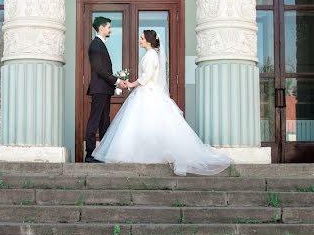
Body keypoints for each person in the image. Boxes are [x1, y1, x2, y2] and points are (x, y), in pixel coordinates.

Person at [93, 29, 232, 176]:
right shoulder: (150, 55)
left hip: (147, 93)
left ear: (148, 40)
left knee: (146, 124)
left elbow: (146, 77)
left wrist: (130, 84)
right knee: (146, 125)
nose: (139, 40)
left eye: (141, 38)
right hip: (147, 92)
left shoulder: (151, 56)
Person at [84, 16, 124, 163]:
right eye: (108, 27)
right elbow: (99, 69)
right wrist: (117, 80)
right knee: (95, 121)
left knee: (104, 122)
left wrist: (115, 82)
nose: (110, 29)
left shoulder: (100, 44)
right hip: (99, 89)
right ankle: (89, 154)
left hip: (104, 89)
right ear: (101, 28)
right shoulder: (95, 45)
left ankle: (102, 153)